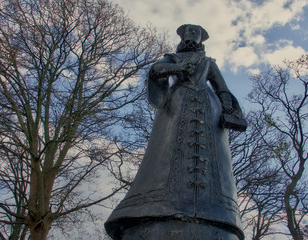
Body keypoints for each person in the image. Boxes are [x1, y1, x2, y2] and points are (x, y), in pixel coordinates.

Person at [105, 24, 246, 240]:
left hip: (208, 109)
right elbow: (156, 70)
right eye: (188, 32)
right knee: (168, 150)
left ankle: (213, 206)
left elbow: (222, 88)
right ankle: (159, 199)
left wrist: (227, 108)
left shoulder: (208, 63)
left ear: (201, 39)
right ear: (182, 37)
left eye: (195, 33)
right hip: (177, 105)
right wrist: (176, 69)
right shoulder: (171, 58)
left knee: (211, 159)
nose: (191, 35)